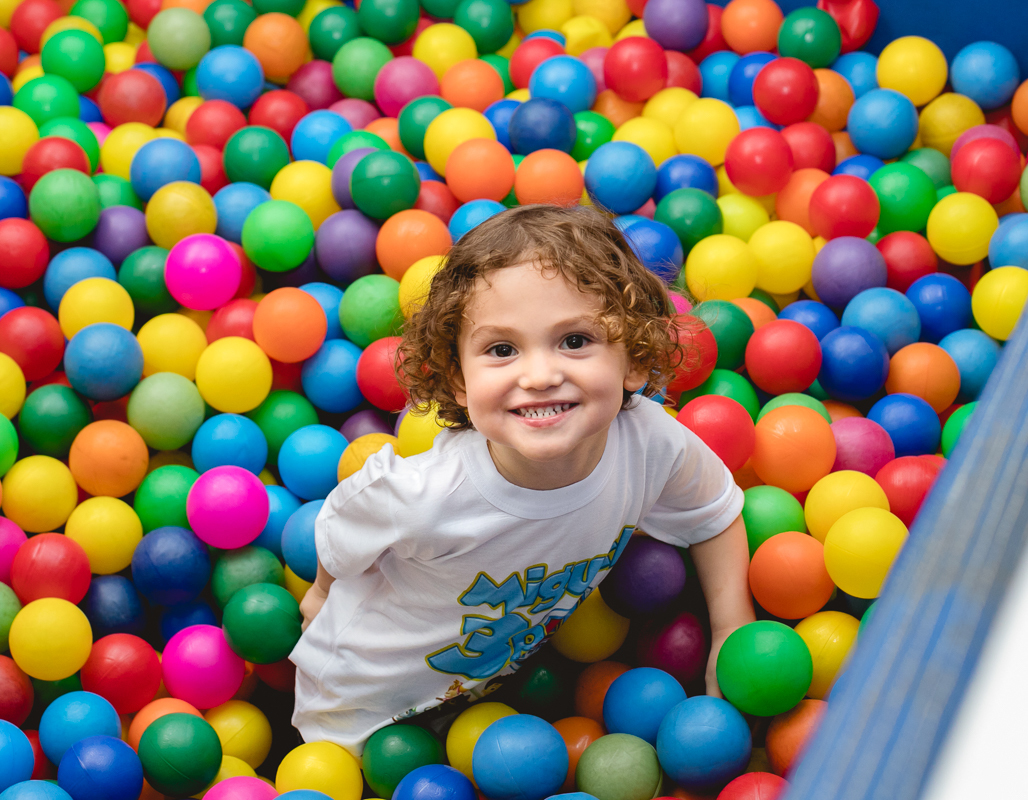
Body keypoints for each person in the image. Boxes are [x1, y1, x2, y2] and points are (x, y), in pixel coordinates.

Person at [291, 205, 754, 756]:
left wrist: (731, 630)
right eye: (502, 350)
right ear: (459, 380)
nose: (538, 376)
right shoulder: (425, 496)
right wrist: (320, 594)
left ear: (632, 361)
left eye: (575, 341)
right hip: (358, 703)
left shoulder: (650, 442)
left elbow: (714, 514)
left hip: (487, 698)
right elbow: (342, 522)